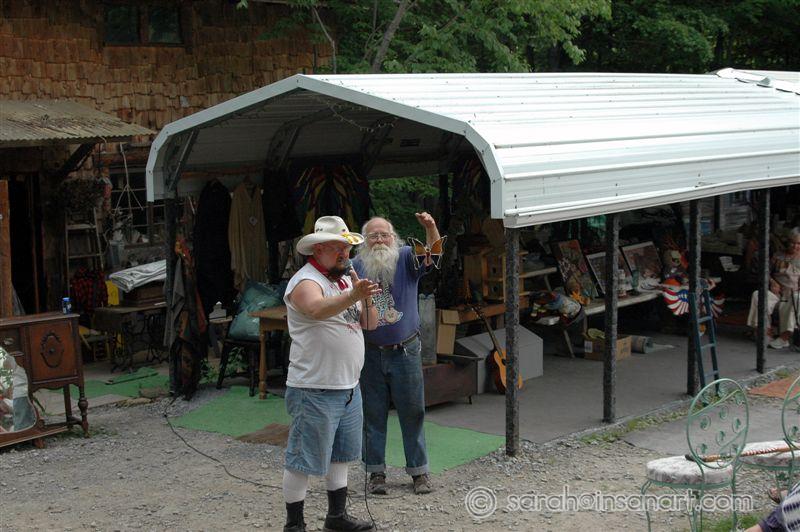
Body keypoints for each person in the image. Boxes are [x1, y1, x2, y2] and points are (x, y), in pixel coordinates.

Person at [281, 215, 381, 532]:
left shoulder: (344, 280)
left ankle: (336, 517)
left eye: (347, 249)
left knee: (341, 455)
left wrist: (366, 297)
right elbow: (315, 309)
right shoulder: (305, 281)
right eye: (338, 248)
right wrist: (353, 295)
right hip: (315, 387)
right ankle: (294, 525)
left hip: (348, 385)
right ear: (318, 249)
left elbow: (371, 324)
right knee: (303, 459)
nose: (345, 254)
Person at [352, 212, 440, 496]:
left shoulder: (404, 257)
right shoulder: (355, 266)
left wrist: (430, 227)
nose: (379, 240)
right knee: (372, 414)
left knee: (413, 411)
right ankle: (376, 473)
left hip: (405, 350)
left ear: (394, 238)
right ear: (364, 241)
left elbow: (433, 254)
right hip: (370, 352)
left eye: (384, 235)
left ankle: (419, 472)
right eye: (373, 236)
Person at [747, 227, 800, 349]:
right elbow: (766, 272)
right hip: (777, 294)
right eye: (792, 242)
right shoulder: (778, 255)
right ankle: (766, 332)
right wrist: (772, 281)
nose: (795, 246)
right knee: (758, 295)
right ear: (788, 242)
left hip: (793, 296)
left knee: (797, 298)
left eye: (798, 243)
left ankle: (784, 337)